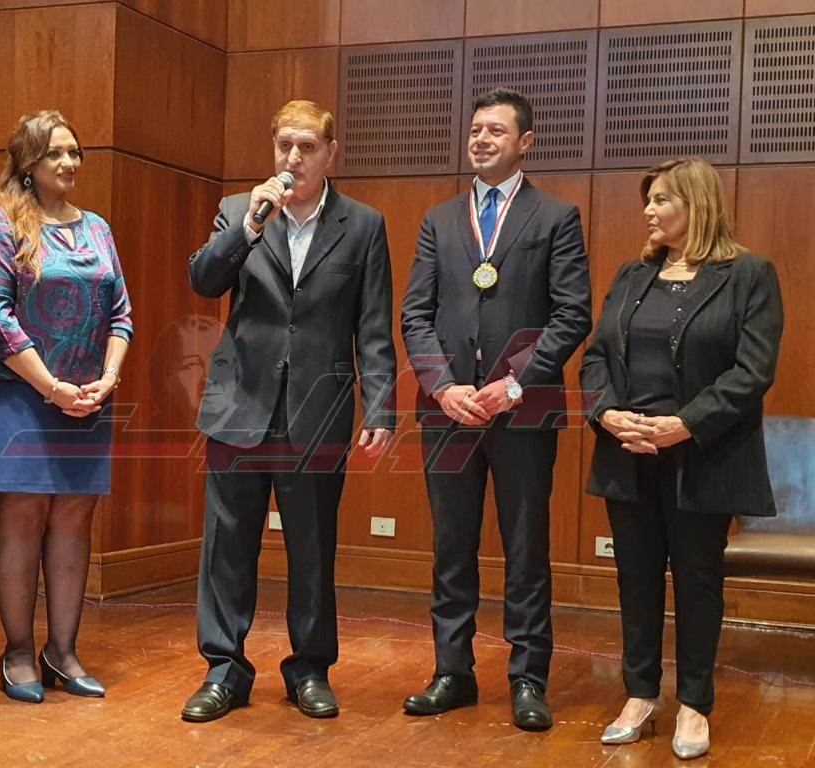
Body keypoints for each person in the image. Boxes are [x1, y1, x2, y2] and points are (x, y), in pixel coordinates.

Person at [181, 99, 396, 722]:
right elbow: (203, 280)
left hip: (318, 410)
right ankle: (224, 669)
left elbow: (373, 325)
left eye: (307, 147)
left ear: (331, 154)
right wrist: (248, 228)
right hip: (238, 407)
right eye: (284, 146)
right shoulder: (238, 211)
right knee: (227, 546)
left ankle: (310, 668)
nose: (293, 158)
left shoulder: (363, 225)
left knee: (312, 547)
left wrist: (381, 408)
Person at [400, 88, 591, 731]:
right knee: (451, 547)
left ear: (525, 142)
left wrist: (514, 383)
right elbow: (415, 314)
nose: (481, 139)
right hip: (448, 413)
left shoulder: (556, 217)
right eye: (476, 129)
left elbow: (572, 315)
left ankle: (528, 677)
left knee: (526, 547)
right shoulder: (439, 219)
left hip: (523, 413)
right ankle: (452, 671)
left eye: (496, 131)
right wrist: (442, 387)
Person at [581, 157, 783, 760]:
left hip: (703, 456)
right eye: (648, 200)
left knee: (697, 583)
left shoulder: (748, 275)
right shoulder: (632, 274)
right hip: (629, 453)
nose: (648, 210)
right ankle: (640, 694)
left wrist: (684, 425)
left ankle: (694, 703)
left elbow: (752, 372)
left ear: (697, 204)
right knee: (636, 580)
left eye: (661, 199)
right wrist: (606, 413)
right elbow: (596, 357)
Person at [0, 110, 132, 704]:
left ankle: (62, 652)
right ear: (27, 164)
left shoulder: (98, 228)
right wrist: (49, 386)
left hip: (87, 398)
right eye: (53, 153)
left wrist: (108, 378)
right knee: (23, 516)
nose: (67, 162)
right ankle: (17, 651)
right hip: (21, 393)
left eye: (73, 152)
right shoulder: (1, 226)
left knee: (73, 520)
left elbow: (121, 313)